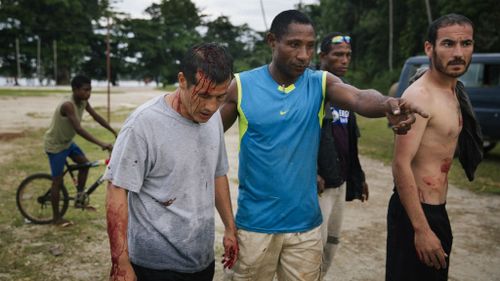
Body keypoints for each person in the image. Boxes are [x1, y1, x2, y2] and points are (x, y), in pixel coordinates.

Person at [220, 10, 427, 281]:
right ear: (272, 41)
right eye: (294, 44)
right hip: (255, 226)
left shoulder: (320, 83)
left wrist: (387, 104)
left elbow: (359, 97)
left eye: (309, 46)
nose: (304, 55)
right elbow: (205, 137)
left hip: (305, 227)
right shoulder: (241, 86)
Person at [104, 43, 239, 281]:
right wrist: (120, 261)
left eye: (220, 97)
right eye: (204, 95)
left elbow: (217, 174)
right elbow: (117, 190)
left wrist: (229, 228)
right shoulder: (143, 124)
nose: (211, 106)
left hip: (201, 261)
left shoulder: (213, 119)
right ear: (182, 80)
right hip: (155, 266)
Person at [387, 14, 482, 281]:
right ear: (430, 48)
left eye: (466, 44)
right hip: (415, 215)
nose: (458, 53)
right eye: (448, 44)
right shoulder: (419, 96)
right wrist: (422, 230)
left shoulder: (453, 91)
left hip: (437, 210)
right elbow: (400, 164)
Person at [316, 32, 368, 276]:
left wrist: (358, 175)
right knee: (313, 244)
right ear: (322, 56)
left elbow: (350, 138)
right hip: (319, 184)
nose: (344, 60)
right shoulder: (312, 87)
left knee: (332, 242)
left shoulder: (346, 92)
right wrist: (312, 170)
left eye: (348, 55)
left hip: (341, 180)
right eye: (338, 55)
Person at [43, 74, 116, 225]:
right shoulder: (68, 105)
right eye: (85, 90)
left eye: (90, 90)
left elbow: (96, 116)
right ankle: (56, 218)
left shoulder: (83, 101)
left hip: (67, 142)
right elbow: (78, 129)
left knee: (85, 165)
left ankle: (79, 197)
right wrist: (101, 143)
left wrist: (112, 130)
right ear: (75, 90)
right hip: (55, 145)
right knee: (57, 182)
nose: (88, 93)